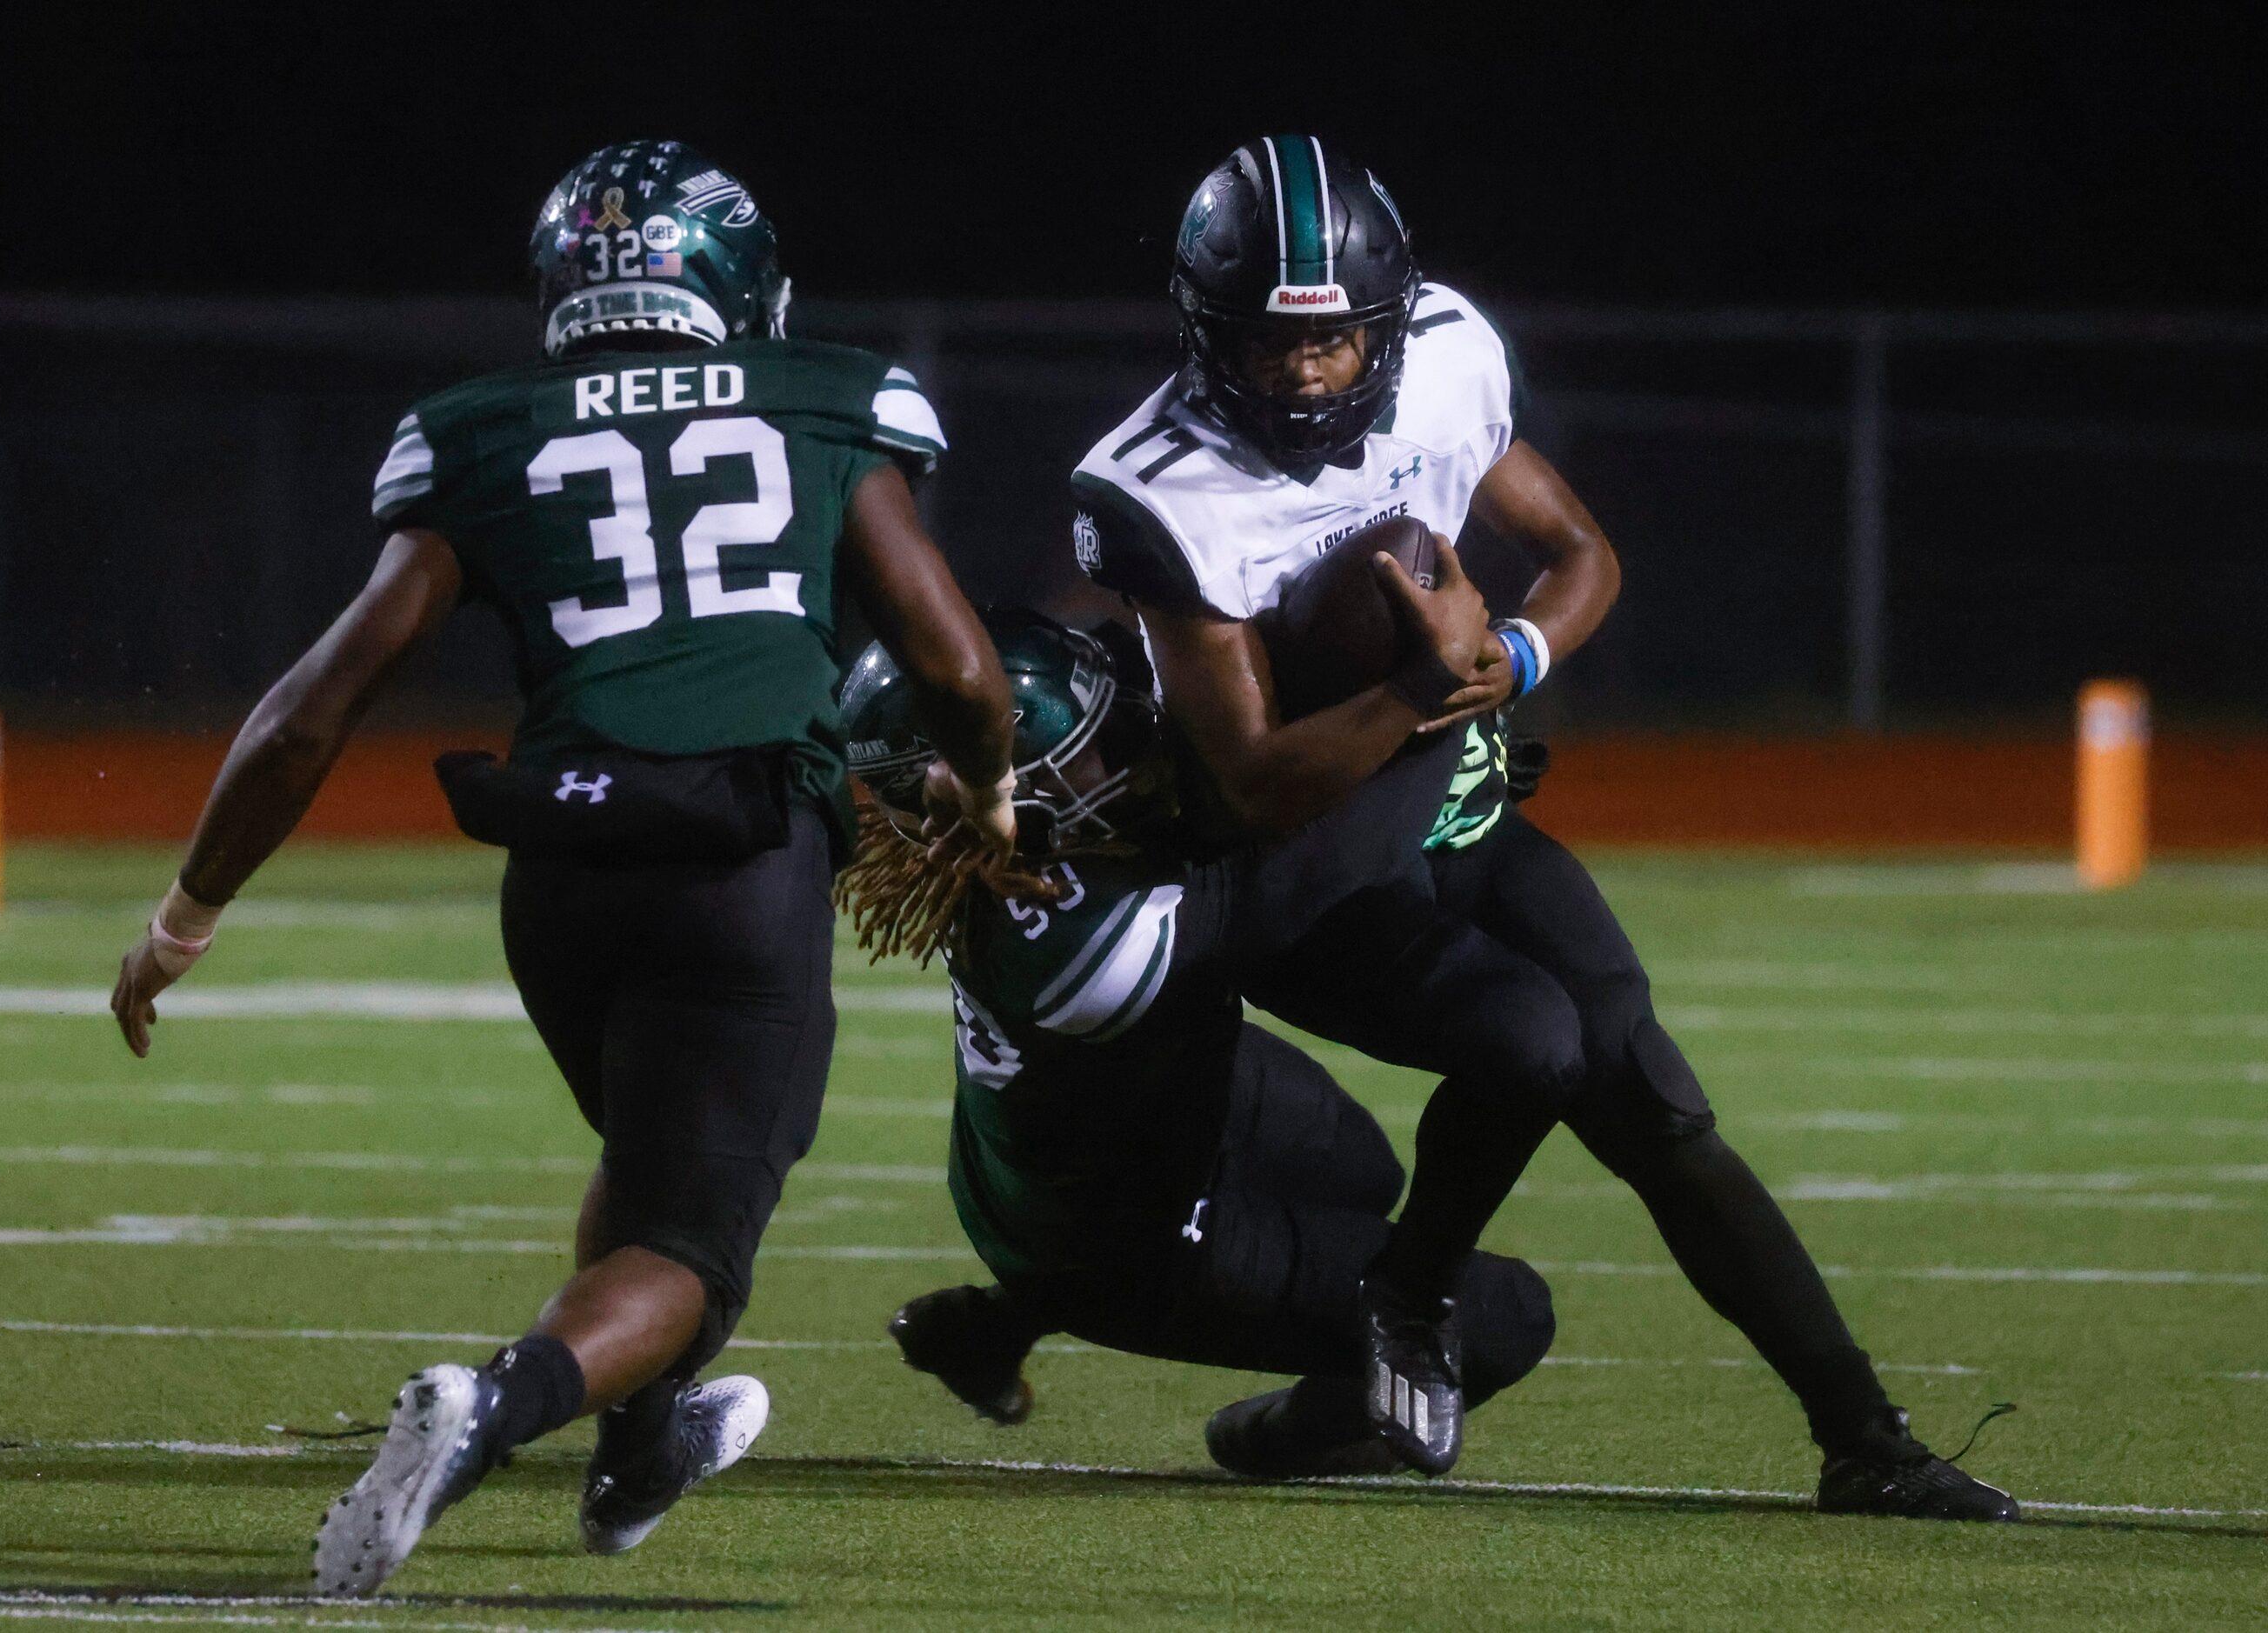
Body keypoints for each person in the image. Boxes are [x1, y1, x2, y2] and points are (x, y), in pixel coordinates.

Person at [107, 140, 1021, 1596]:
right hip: (736, 853)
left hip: (560, 860)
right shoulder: (824, 398)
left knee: (651, 1161)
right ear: (735, 281)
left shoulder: (480, 430)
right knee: (696, 1246)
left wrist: (182, 920)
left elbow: (309, 710)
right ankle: (496, 1408)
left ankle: (639, 1444)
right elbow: (959, 663)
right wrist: (988, 782)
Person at [1066, 135, 2018, 1518]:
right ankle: (1404, 1294)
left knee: (1653, 1101)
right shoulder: (1159, 486)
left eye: (1336, 346)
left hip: (1455, 810)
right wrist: (1417, 676)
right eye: (1274, 348)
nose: (1309, 375)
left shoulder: (1449, 356)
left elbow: (1581, 556)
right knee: (1531, 1038)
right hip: (1305, 867)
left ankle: (1864, 1438)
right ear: (1208, 331)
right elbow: (1262, 779)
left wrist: (1507, 661)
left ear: (1389, 324)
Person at [837, 609, 1556, 1477]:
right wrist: (1435, 727)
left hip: (1062, 1148)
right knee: (1511, 1315)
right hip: (1130, 1245)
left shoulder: (993, 850)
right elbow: (1316, 857)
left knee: (1360, 1168)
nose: (1126, 755)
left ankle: (999, 1319)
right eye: (1087, 756)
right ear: (978, 792)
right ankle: (1276, 1434)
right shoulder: (1087, 943)